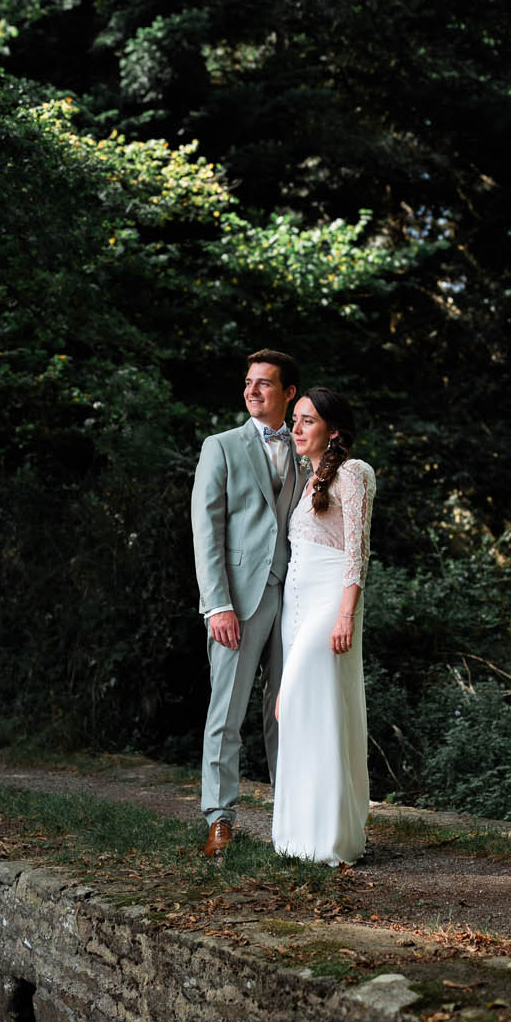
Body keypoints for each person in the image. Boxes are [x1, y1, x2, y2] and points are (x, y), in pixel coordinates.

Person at [191, 349, 303, 858]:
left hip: (297, 597)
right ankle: (220, 818)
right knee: (227, 711)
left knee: (288, 711)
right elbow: (206, 529)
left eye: (264, 383)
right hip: (238, 599)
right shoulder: (221, 446)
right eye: (248, 383)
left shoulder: (306, 447)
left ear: (289, 393)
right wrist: (217, 605)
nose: (252, 391)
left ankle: (292, 817)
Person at [271, 387, 376, 866]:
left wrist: (344, 614)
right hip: (299, 605)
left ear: (332, 430)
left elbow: (357, 550)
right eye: (295, 419)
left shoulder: (354, 473)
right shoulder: (309, 480)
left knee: (312, 703)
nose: (296, 427)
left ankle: (332, 837)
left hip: (330, 604)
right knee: (295, 709)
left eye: (307, 420)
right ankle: (299, 837)